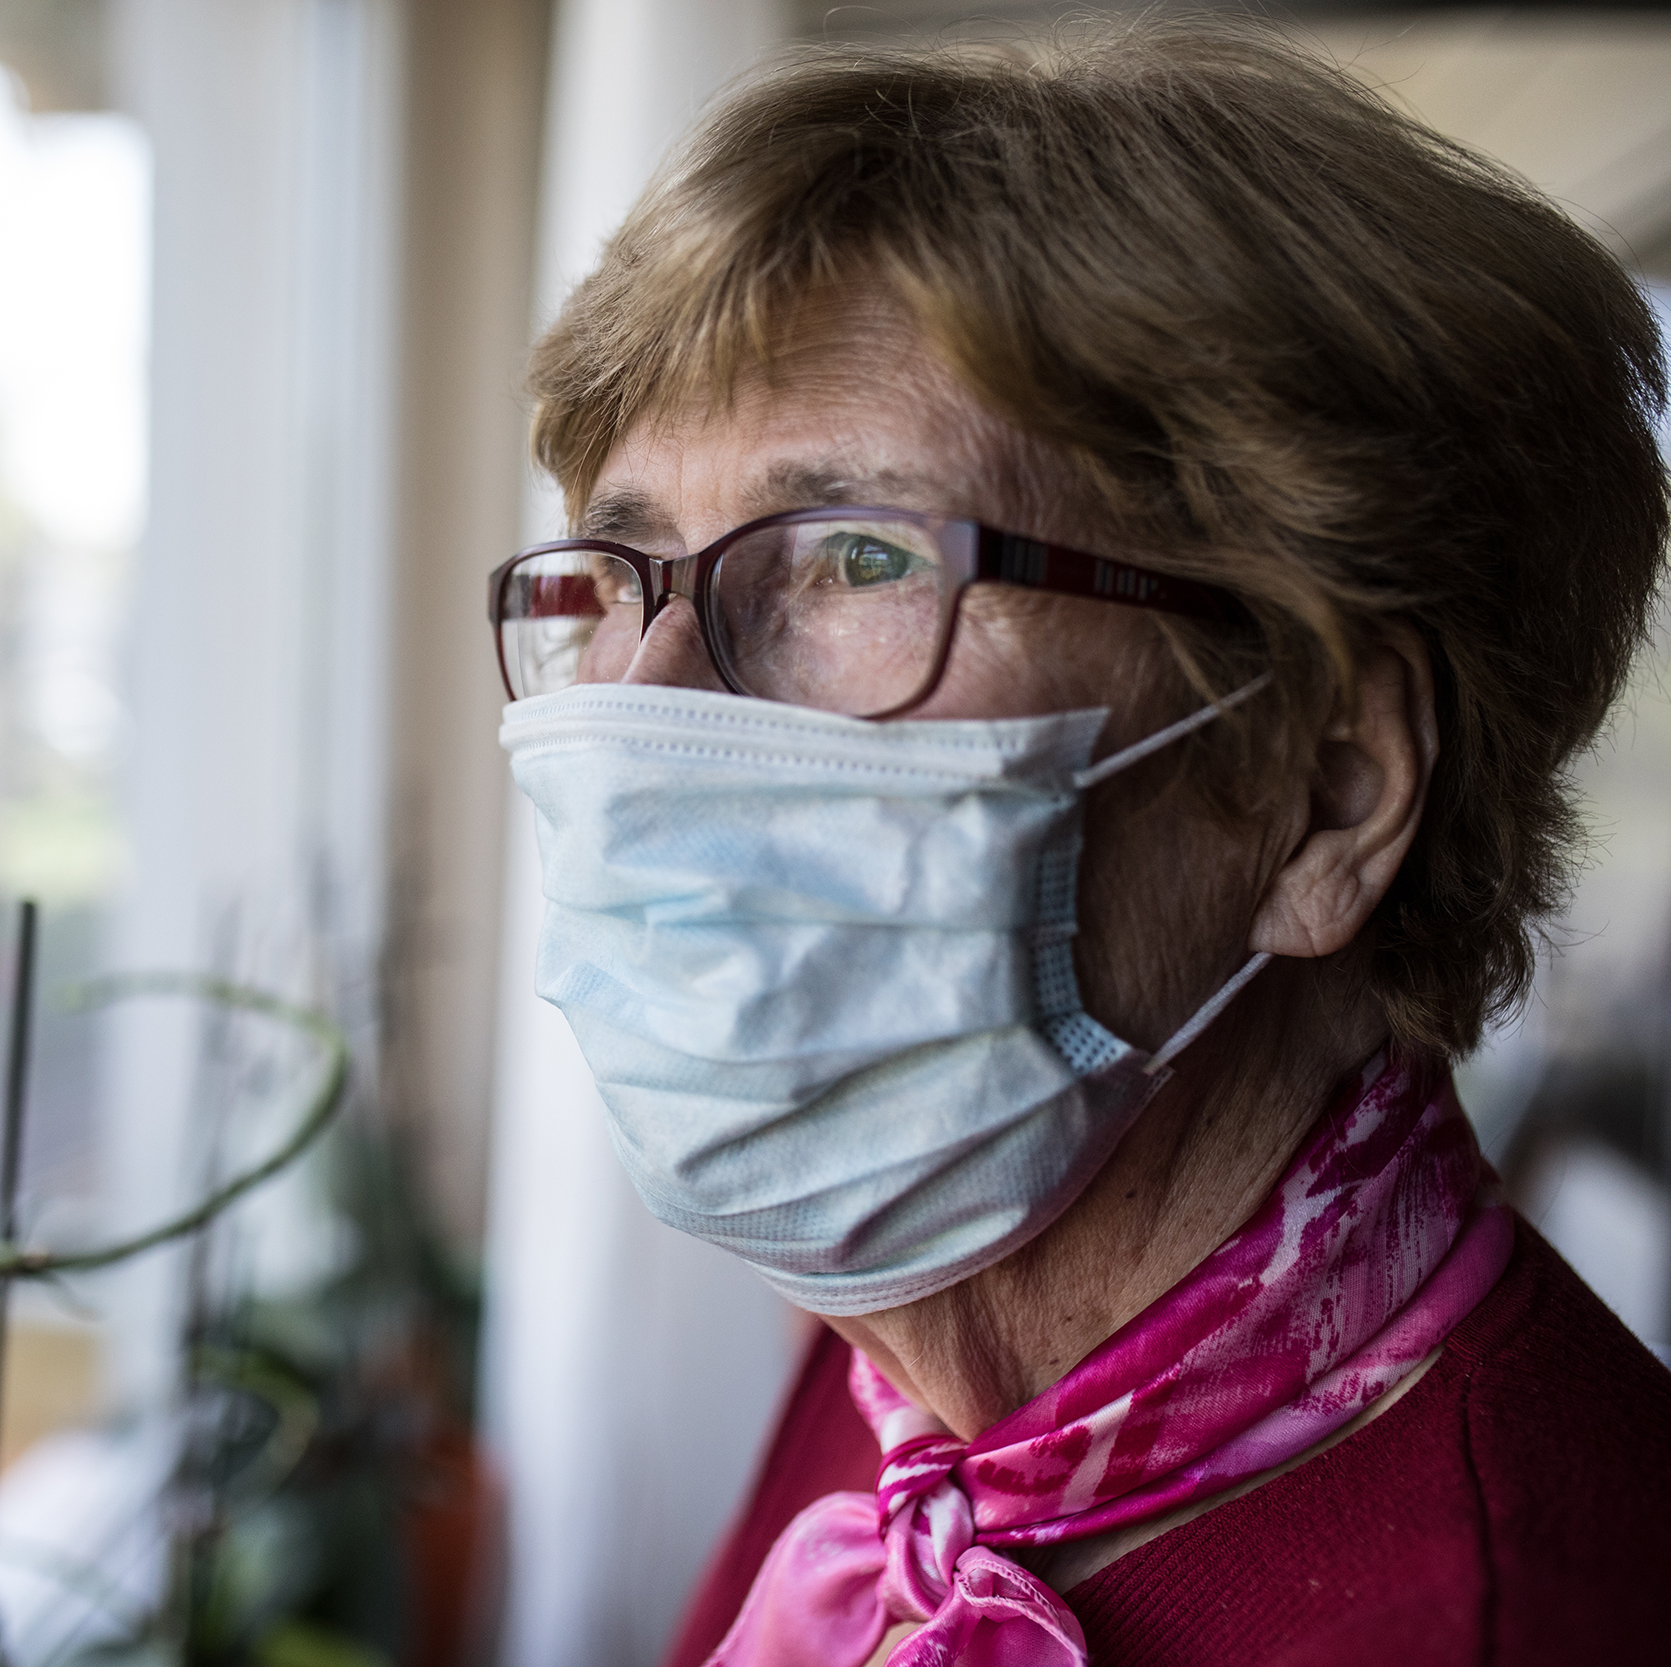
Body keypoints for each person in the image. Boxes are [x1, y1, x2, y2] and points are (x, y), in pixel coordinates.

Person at [486, 20, 1671, 1666]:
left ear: (1323, 787)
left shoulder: (1527, 1616)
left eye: (858, 561)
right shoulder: (918, 1395)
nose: (647, 696)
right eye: (621, 572)